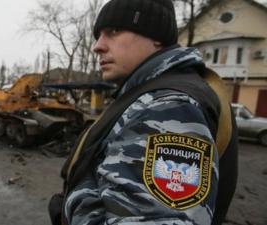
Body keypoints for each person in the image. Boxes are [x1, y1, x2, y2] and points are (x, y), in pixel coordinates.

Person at [48, 0, 238, 225]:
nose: (97, 46)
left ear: (156, 36)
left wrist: (75, 195)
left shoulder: (169, 106)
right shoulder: (148, 93)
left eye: (114, 31)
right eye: (98, 35)